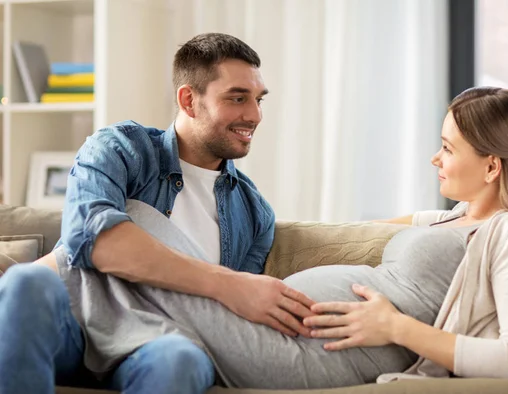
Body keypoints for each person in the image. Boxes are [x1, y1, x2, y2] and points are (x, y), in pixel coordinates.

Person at [43, 86, 508, 390]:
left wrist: (396, 326)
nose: (435, 158)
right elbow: (356, 233)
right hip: (293, 322)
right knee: (131, 224)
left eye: (448, 149)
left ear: (492, 165)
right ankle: (51, 283)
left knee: (129, 223)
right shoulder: (452, 218)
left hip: (321, 348)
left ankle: (41, 282)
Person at [0, 33, 317, 394]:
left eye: (258, 100)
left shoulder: (254, 213)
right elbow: (95, 239)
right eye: (237, 98)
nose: (255, 115)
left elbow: (231, 323)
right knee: (26, 282)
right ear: (189, 100)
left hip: (159, 344)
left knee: (179, 360)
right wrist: (226, 282)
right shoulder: (121, 148)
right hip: (73, 324)